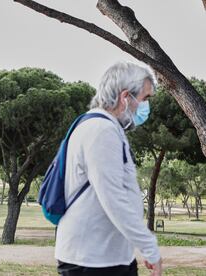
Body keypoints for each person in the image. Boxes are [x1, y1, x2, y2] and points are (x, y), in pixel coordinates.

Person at [55, 62, 162, 276]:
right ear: (125, 97)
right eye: (145, 98)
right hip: (92, 260)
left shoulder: (107, 127)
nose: (146, 106)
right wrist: (150, 248)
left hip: (107, 257)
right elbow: (113, 198)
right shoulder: (101, 130)